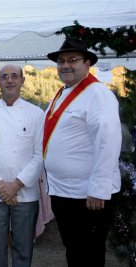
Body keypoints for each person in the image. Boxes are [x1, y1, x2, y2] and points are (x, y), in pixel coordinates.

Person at [44, 38, 122, 267]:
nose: (65, 65)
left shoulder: (98, 93)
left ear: (87, 63)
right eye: (61, 61)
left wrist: (99, 189)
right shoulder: (62, 93)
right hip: (64, 192)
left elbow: (108, 142)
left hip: (88, 196)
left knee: (89, 252)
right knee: (74, 250)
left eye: (73, 60)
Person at [0, 64, 44, 267]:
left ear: (22, 80)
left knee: (24, 249)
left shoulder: (36, 114)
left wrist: (15, 186)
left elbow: (39, 155)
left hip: (26, 192)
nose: (10, 80)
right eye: (4, 76)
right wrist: (1, 186)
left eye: (14, 76)